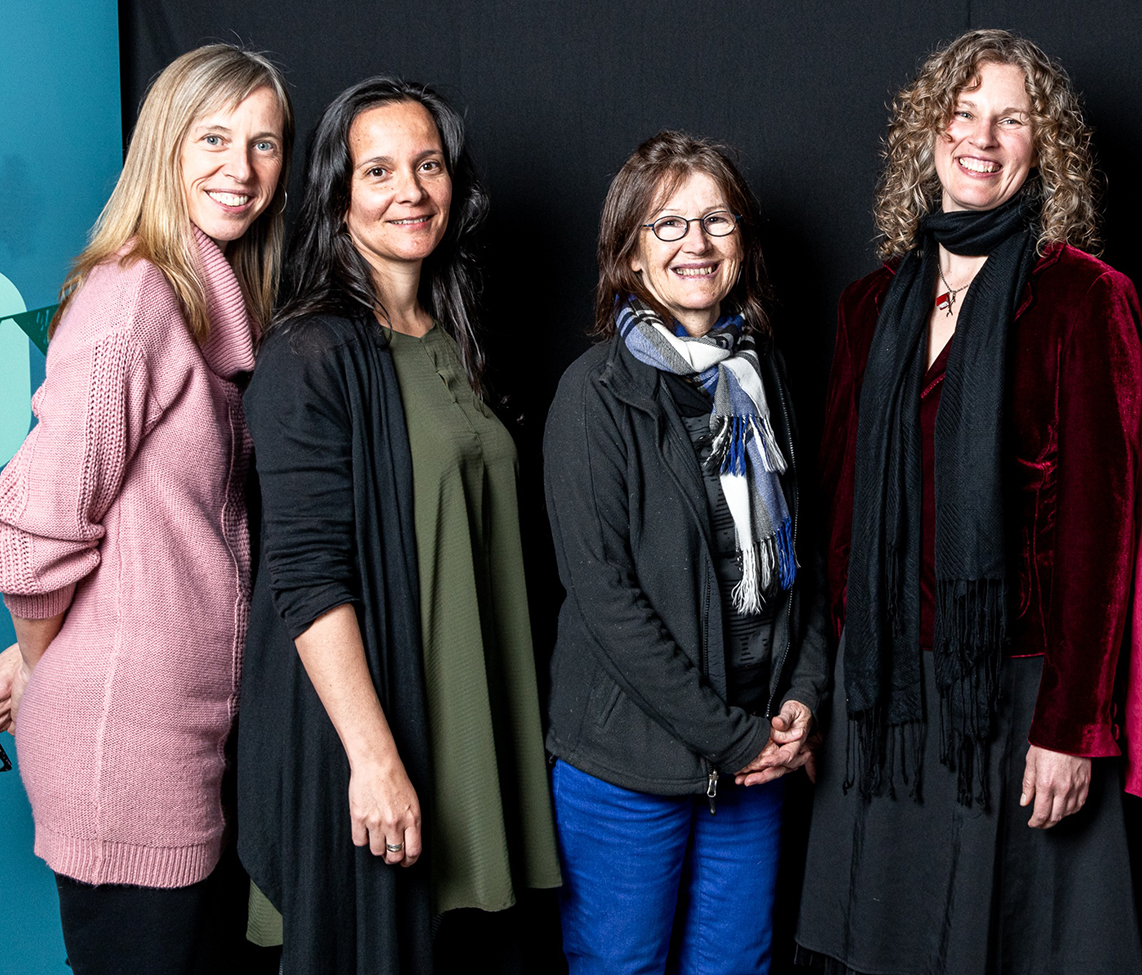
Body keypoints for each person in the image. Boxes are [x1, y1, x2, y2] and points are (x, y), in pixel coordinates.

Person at [795, 29, 1142, 974]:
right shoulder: (871, 304)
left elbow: (1104, 530)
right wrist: (823, 688)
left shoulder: (1083, 298)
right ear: (928, 130)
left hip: (1014, 692)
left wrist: (1073, 727)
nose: (981, 137)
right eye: (962, 112)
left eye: (1011, 119)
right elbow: (837, 520)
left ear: (1045, 146)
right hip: (884, 693)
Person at [237, 76, 561, 975]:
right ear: (337, 194)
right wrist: (373, 759)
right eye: (377, 170)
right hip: (377, 732)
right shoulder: (309, 352)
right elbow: (306, 576)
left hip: (474, 725)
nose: (409, 190)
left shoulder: (453, 334)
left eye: (428, 164)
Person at [0, 44, 292, 975]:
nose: (240, 168)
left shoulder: (210, 301)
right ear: (165, 144)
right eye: (214, 138)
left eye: (264, 144)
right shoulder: (134, 299)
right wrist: (45, 665)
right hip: (122, 751)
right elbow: (36, 529)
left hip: (190, 736)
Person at [543, 130, 828, 974]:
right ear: (630, 252)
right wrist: (734, 737)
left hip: (756, 759)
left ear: (741, 241)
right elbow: (607, 601)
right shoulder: (593, 395)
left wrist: (804, 694)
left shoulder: (762, 380)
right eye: (668, 224)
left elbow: (803, 560)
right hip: (629, 766)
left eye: (716, 220)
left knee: (736, 965)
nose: (695, 243)